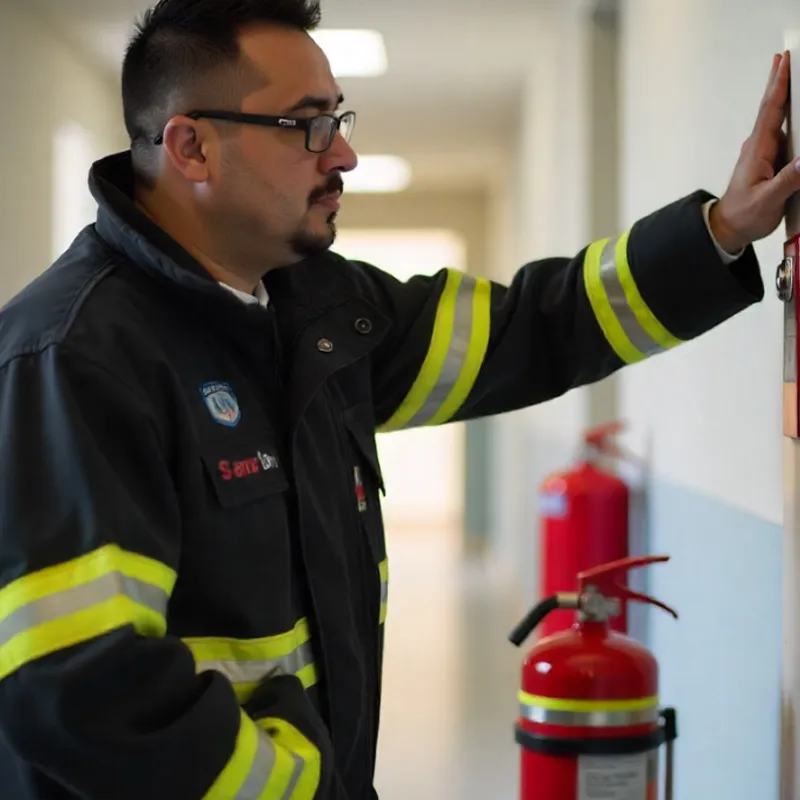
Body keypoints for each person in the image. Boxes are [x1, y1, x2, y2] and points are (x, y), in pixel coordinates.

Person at [0, 0, 794, 796]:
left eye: (338, 118)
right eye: (308, 126)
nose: (342, 153)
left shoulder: (313, 313)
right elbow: (82, 690)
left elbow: (532, 328)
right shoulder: (75, 356)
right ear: (193, 146)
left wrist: (721, 229)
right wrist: (299, 784)